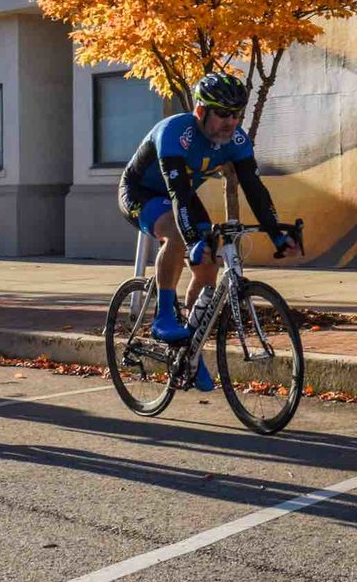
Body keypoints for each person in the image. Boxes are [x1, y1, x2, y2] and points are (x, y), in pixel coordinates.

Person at [115, 71, 299, 394]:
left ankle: (191, 350)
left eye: (236, 115)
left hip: (180, 195)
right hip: (141, 192)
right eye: (223, 114)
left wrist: (277, 235)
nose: (231, 122)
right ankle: (162, 317)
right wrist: (191, 240)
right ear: (201, 111)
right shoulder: (176, 133)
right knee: (176, 234)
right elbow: (177, 195)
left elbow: (255, 190)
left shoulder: (235, 141)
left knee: (209, 264)